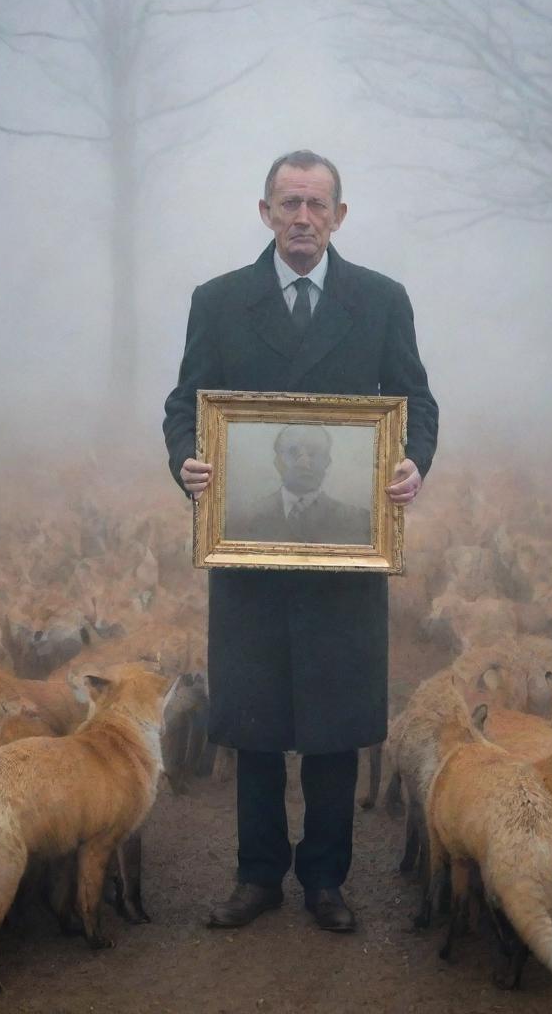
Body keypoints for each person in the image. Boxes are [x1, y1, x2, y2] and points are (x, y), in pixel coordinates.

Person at [163, 150, 438, 933]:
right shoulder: (217, 301)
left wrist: (414, 462)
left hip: (346, 554)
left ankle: (325, 880)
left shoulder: (381, 301)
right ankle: (256, 878)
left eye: (317, 205)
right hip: (248, 549)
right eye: (289, 203)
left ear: (340, 216)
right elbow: (185, 404)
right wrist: (186, 459)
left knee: (333, 724)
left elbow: (416, 400)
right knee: (253, 724)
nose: (303, 218)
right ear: (265, 212)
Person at [226, 423, 371, 545]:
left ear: (327, 461)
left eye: (313, 453)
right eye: (293, 452)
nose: (304, 463)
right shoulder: (244, 518)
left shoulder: (359, 521)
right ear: (277, 462)